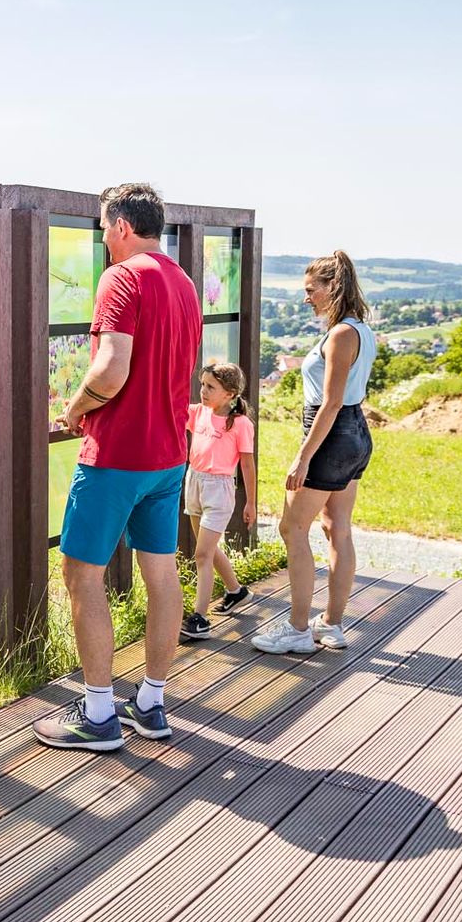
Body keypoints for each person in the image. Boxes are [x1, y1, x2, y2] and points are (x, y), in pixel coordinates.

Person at [39, 182, 202, 750]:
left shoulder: (123, 277)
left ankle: (100, 715)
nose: (102, 238)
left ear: (123, 227)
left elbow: (111, 370)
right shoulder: (183, 284)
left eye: (104, 226)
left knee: (81, 573)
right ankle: (151, 704)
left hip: (117, 457)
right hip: (167, 457)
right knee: (162, 575)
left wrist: (73, 407)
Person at [253, 250, 376, 656]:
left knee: (292, 529)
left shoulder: (341, 334)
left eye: (312, 290)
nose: (307, 298)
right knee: (336, 526)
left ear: (332, 287)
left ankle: (297, 630)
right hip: (355, 434)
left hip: (332, 434)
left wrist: (303, 456)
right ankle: (332, 624)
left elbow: (331, 401)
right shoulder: (360, 328)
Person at [180, 360, 256, 641]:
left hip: (220, 490)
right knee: (207, 548)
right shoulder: (197, 413)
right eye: (202, 384)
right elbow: (170, 409)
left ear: (230, 393)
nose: (203, 390)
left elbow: (247, 465)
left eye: (211, 387)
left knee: (202, 554)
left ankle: (200, 618)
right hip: (194, 482)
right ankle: (236, 591)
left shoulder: (240, 424)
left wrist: (251, 503)